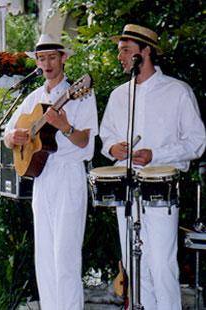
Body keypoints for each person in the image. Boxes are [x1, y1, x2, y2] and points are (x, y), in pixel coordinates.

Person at [100, 24, 206, 309]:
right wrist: (113, 148)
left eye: (126, 51)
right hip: (125, 189)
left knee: (161, 265)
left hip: (161, 191)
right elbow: (105, 136)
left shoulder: (177, 91)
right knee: (136, 268)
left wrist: (156, 154)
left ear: (145, 52)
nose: (120, 57)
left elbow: (197, 142)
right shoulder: (118, 95)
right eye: (119, 51)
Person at [4, 33, 98, 310]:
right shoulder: (32, 98)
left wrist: (65, 127)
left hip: (69, 176)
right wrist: (14, 138)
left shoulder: (81, 94)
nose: (46, 63)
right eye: (41, 58)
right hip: (42, 179)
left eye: (52, 57)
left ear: (64, 58)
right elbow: (8, 134)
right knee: (44, 259)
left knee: (65, 258)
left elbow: (87, 145)